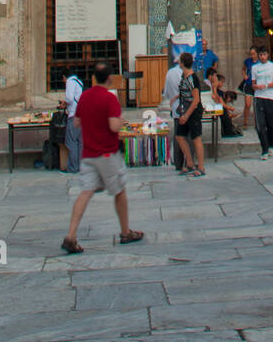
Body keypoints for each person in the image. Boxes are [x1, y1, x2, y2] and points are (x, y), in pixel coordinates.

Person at [61, 62, 143, 253]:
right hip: (107, 153)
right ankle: (125, 232)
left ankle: (71, 235)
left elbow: (78, 122)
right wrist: (120, 121)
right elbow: (114, 126)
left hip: (88, 154)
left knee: (85, 192)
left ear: (94, 78)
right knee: (119, 191)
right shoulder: (109, 99)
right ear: (110, 78)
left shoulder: (85, 97)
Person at [176, 51, 206, 176]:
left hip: (192, 112)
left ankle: (201, 167)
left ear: (183, 63)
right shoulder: (184, 77)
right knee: (179, 135)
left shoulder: (192, 78)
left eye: (180, 61)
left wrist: (186, 115)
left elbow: (196, 99)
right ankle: (189, 162)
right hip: (185, 110)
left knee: (196, 138)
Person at [251, 43, 273, 160]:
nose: (262, 57)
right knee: (260, 125)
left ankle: (271, 144)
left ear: (267, 55)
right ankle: (264, 148)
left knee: (271, 124)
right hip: (259, 97)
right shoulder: (254, 68)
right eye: (261, 55)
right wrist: (257, 87)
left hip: (270, 96)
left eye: (264, 55)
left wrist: (267, 85)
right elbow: (253, 84)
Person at [207, 68, 243, 137]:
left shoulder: (214, 86)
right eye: (215, 76)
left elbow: (218, 99)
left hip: (215, 105)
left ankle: (229, 130)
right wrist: (214, 87)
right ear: (210, 76)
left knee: (223, 110)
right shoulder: (210, 85)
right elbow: (216, 99)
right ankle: (228, 131)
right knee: (223, 110)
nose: (216, 79)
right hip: (208, 107)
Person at [163, 53, 184, 172]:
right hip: (185, 109)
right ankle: (187, 162)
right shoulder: (184, 73)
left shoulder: (170, 72)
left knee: (177, 135)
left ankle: (177, 161)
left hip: (175, 108)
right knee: (185, 137)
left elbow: (165, 92)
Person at [62, 67, 85, 173]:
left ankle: (72, 167)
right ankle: (81, 166)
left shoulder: (70, 82)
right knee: (80, 142)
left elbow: (69, 98)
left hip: (73, 115)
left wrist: (64, 103)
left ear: (64, 77)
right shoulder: (79, 82)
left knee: (71, 142)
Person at [240, 45, 257, 128]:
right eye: (251, 54)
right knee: (247, 104)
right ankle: (245, 122)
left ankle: (256, 122)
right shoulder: (247, 61)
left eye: (254, 53)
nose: (252, 56)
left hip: (257, 85)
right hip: (248, 84)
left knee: (256, 105)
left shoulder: (260, 62)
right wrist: (245, 76)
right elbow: (243, 69)